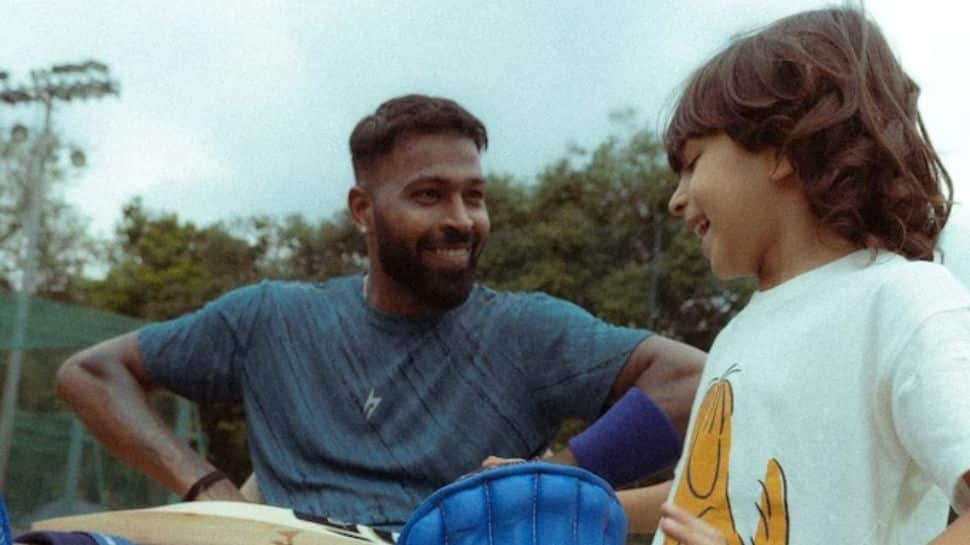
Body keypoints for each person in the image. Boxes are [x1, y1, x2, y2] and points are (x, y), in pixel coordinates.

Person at [55, 94, 705, 532]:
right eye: (429, 195)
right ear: (363, 209)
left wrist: (548, 484)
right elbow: (90, 372)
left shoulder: (526, 329)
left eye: (473, 196)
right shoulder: (272, 316)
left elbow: (694, 379)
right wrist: (205, 486)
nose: (460, 219)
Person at [614, 7, 970, 545]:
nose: (676, 198)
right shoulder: (740, 332)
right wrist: (575, 499)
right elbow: (713, 497)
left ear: (782, 149)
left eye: (693, 161)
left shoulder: (902, 301)